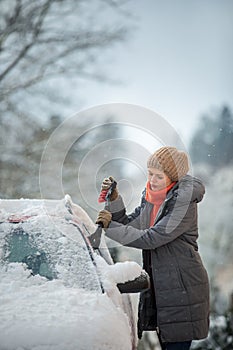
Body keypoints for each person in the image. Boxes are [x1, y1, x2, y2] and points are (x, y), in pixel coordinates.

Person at [95, 146, 210, 350]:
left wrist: (111, 227)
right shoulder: (153, 197)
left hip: (182, 288)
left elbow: (152, 238)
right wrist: (114, 202)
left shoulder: (183, 204)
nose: (152, 180)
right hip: (163, 288)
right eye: (150, 174)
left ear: (172, 178)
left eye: (159, 176)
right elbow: (132, 225)